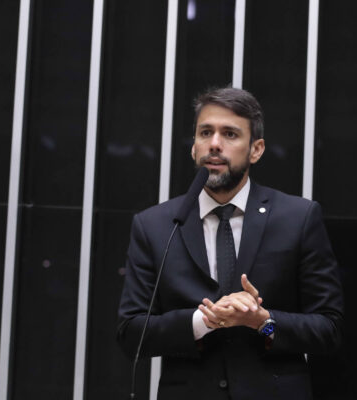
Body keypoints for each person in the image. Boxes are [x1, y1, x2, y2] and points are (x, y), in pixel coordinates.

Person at [117, 87, 344, 400]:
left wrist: (262, 322)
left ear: (256, 149)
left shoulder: (298, 218)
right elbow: (131, 333)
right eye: (205, 132)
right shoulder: (155, 225)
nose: (214, 144)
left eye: (230, 134)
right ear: (193, 147)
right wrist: (203, 322)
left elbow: (328, 330)